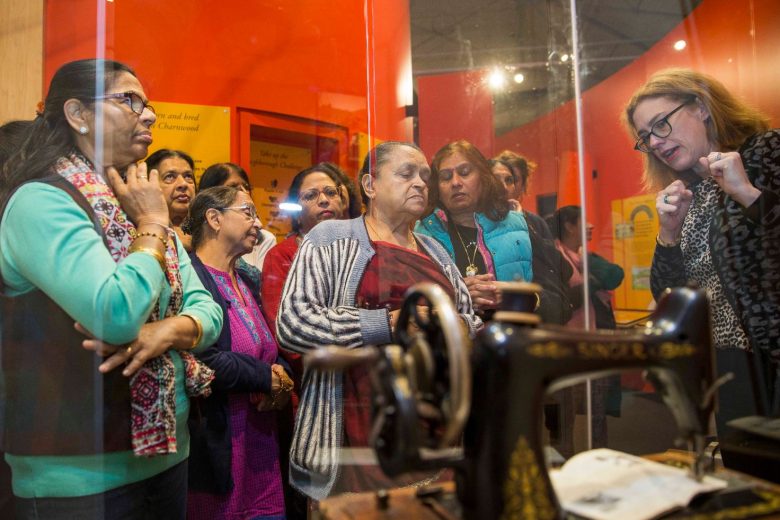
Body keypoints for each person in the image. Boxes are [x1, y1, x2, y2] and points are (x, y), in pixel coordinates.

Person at [0, 58, 222, 518]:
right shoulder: (41, 200)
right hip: (76, 474)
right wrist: (155, 225)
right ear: (78, 115)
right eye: (129, 100)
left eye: (148, 104)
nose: (149, 115)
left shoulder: (132, 199)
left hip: (167, 453)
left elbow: (209, 309)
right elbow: (115, 315)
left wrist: (164, 333)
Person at [276, 141, 481, 500]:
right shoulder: (330, 239)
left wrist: (451, 328)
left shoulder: (435, 249)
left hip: (433, 427)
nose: (420, 183)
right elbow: (294, 323)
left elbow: (470, 322)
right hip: (354, 431)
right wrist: (389, 324)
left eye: (424, 176)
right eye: (406, 174)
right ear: (370, 186)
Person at [624, 67, 780, 431]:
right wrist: (668, 234)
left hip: (770, 357)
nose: (656, 142)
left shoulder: (766, 151)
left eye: (661, 124)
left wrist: (748, 195)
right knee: (748, 479)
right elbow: (667, 294)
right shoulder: (689, 189)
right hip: (728, 363)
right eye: (646, 137)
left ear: (701, 107)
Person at [183, 186, 293, 520]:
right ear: (214, 219)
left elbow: (271, 344)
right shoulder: (191, 279)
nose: (257, 222)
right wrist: (265, 377)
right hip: (219, 448)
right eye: (247, 212)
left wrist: (283, 375)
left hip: (262, 448)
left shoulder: (247, 277)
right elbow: (204, 358)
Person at [415, 140, 532, 315]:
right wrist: (456, 295)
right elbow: (415, 304)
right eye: (446, 177)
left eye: (465, 172)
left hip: (509, 335)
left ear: (483, 177)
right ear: (437, 187)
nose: (455, 182)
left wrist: (511, 294)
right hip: (452, 337)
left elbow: (549, 295)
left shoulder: (517, 224)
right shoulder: (423, 232)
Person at [261, 162, 347, 338]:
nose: (324, 200)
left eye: (331, 193)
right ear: (297, 214)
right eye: (311, 195)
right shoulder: (280, 256)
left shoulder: (360, 246)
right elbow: (285, 328)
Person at [490, 154, 573, 324]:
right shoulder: (478, 221)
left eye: (511, 180)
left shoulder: (534, 222)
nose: (504, 187)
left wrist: (522, 225)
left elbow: (560, 267)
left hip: (538, 310)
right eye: (496, 179)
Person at [199, 162, 277, 272]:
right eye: (233, 187)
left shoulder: (263, 239)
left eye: (246, 187)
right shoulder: (192, 243)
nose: (245, 192)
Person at [145, 149, 196, 250]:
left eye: (188, 176)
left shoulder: (211, 230)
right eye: (169, 177)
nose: (183, 184)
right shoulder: (144, 231)